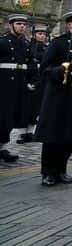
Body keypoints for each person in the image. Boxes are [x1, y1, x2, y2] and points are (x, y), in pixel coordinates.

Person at [35, 11, 72, 186]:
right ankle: (48, 172)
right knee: (53, 134)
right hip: (58, 95)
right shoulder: (58, 42)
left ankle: (62, 169)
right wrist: (59, 70)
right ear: (69, 24)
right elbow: (44, 69)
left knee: (71, 134)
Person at [0, 14, 35, 162]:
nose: (22, 26)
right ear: (11, 25)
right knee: (2, 117)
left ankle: (3, 148)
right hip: (4, 84)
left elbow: (31, 64)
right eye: (19, 23)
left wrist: (32, 80)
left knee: (12, 118)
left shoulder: (26, 44)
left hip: (19, 85)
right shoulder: (2, 42)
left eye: (24, 24)